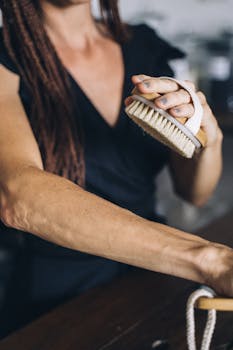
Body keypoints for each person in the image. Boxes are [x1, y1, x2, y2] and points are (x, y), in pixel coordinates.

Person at [0, 0, 232, 337]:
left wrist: (208, 139)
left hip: (151, 278)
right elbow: (18, 197)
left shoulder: (143, 45)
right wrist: (208, 259)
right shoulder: (6, 57)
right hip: (57, 298)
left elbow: (194, 192)